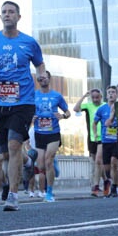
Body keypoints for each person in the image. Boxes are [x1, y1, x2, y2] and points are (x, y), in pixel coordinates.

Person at [0, 0, 45, 212]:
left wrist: (41, 75)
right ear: (0, 16)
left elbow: (39, 63)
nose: (7, 15)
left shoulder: (29, 42)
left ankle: (13, 195)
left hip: (23, 101)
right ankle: (28, 161)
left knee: (14, 145)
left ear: (18, 17)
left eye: (11, 12)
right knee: (6, 152)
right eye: (4, 12)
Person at [32, 71, 69, 202]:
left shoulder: (56, 96)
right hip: (39, 132)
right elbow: (28, 110)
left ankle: (49, 192)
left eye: (45, 78)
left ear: (49, 79)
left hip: (53, 133)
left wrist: (63, 116)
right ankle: (53, 164)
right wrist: (31, 117)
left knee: (48, 160)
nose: (43, 80)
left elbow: (68, 112)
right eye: (40, 78)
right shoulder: (33, 95)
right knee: (41, 165)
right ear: (38, 81)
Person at [93, 86, 118, 197]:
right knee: (106, 168)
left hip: (117, 140)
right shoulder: (101, 109)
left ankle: (115, 187)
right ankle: (111, 183)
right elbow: (94, 123)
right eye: (109, 92)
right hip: (105, 141)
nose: (111, 94)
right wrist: (95, 133)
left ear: (116, 95)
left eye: (113, 92)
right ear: (106, 95)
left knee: (114, 163)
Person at [73, 88, 104, 196]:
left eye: (97, 97)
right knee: (97, 163)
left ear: (101, 97)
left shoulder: (105, 106)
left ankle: (96, 185)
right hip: (92, 138)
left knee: (99, 162)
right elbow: (76, 109)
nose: (95, 99)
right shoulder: (88, 106)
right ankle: (104, 181)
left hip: (104, 137)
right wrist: (84, 96)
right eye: (93, 97)